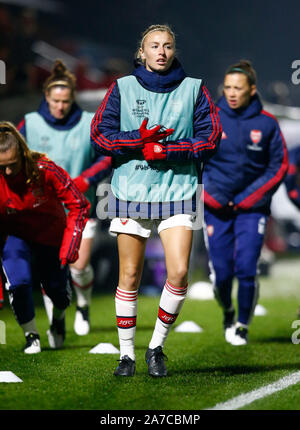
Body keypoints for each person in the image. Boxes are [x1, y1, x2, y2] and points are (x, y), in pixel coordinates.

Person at [91, 24, 222, 377]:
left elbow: (210, 140)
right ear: (142, 52)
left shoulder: (195, 89)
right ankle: (126, 356)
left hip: (178, 191)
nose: (161, 51)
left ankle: (156, 347)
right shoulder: (121, 88)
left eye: (167, 46)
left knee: (180, 273)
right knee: (130, 275)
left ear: (173, 51)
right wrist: (136, 141)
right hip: (131, 191)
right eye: (154, 46)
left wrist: (168, 151)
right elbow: (100, 138)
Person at [15, 59, 112, 335]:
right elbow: (15, 158)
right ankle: (57, 321)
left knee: (79, 266)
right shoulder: (30, 124)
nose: (60, 106)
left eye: (66, 101)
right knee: (50, 266)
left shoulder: (87, 123)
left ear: (73, 99)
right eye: (56, 100)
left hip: (79, 207)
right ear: (46, 97)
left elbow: (107, 157)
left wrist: (85, 179)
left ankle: (83, 305)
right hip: (45, 210)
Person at [202, 60, 288, 346]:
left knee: (247, 267)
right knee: (222, 274)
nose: (231, 93)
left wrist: (248, 198)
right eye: (227, 87)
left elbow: (278, 165)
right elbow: (194, 160)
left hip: (252, 210)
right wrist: (210, 196)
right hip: (216, 209)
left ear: (252, 89)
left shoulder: (267, 124)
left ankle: (242, 325)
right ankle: (227, 310)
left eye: (238, 88)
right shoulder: (209, 119)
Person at [0, 121, 90, 353]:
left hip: (50, 236)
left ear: (22, 154)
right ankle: (32, 336)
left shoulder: (46, 169)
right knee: (18, 284)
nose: (8, 172)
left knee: (58, 293)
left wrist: (71, 244)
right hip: (15, 236)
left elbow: (79, 205)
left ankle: (58, 319)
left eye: (12, 165)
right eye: (2, 168)